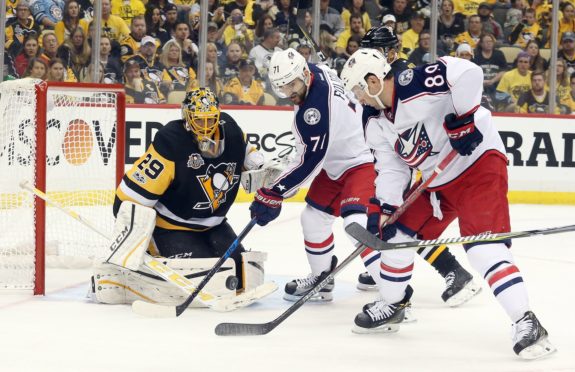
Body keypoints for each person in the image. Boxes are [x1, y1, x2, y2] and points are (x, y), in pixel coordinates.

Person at [339, 48, 556, 359]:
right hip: (436, 182)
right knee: (396, 236)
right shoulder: (373, 118)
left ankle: (527, 321)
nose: (357, 97)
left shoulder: (413, 83)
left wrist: (466, 118)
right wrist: (384, 209)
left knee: (483, 248)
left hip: (477, 163)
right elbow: (392, 167)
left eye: (358, 89)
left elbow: (469, 72)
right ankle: (393, 304)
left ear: (373, 81)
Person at [249, 48, 392, 305]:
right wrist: (279, 189)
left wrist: (275, 192)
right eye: (282, 88)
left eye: (292, 85)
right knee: (313, 219)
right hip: (336, 163)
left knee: (357, 226)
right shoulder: (316, 71)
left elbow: (311, 161)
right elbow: (313, 156)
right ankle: (321, 279)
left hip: (362, 160)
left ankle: (395, 296)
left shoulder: (313, 109)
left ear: (304, 74)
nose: (289, 93)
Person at [358, 25, 480, 304]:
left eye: (375, 51)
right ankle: (394, 269)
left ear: (391, 52)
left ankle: (453, 272)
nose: (369, 56)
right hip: (420, 160)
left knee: (408, 224)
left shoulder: (401, 77)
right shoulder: (377, 79)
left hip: (440, 159)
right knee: (403, 224)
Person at [111, 87, 267, 297]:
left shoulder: (231, 131)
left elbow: (248, 154)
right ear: (186, 116)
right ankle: (153, 252)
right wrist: (135, 239)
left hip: (214, 225)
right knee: (206, 276)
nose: (204, 126)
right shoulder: (171, 142)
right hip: (171, 227)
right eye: (198, 120)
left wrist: (262, 169)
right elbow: (128, 197)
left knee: (241, 273)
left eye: (209, 119)